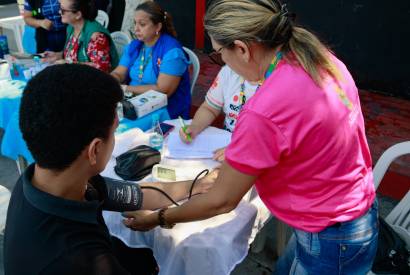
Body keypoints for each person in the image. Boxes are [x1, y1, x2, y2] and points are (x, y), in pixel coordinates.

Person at [121, 1, 379, 274]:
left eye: (219, 54)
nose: (222, 62)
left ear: (242, 49)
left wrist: (158, 218)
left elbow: (222, 200)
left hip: (332, 228)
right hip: (349, 210)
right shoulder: (316, 56)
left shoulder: (265, 110)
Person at [3, 64, 217, 274]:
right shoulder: (80, 259)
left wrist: (197, 185)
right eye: (114, 132)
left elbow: (136, 194)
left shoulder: (44, 180)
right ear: (94, 149)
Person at [110, 2, 191, 119]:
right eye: (135, 23)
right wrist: (111, 80)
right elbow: (119, 72)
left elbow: (162, 91)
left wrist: (125, 89)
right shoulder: (135, 46)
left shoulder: (172, 52)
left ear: (158, 27)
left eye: (142, 24)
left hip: (161, 110)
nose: (136, 29)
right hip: (131, 103)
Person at [180, 65, 259, 161]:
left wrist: (239, 150)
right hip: (226, 144)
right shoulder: (229, 71)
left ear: (242, 51)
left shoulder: (277, 82)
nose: (222, 57)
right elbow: (210, 108)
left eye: (221, 50)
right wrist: (195, 126)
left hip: (254, 152)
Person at [43, 0, 119, 72]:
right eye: (59, 8)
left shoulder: (96, 37)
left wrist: (69, 64)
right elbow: (72, 56)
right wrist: (57, 55)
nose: (59, 12)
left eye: (63, 10)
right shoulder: (71, 28)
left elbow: (101, 69)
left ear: (78, 15)